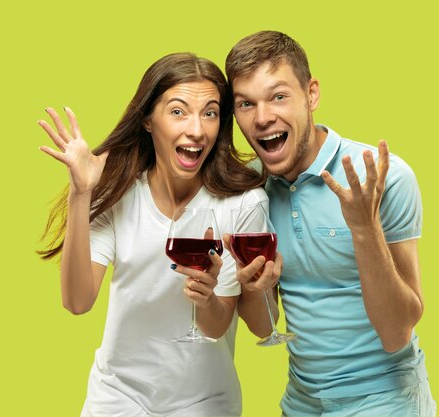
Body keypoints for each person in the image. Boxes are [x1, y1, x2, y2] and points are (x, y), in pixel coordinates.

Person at [36, 53, 267, 417]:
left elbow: (216, 326)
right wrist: (81, 194)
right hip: (117, 394)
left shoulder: (242, 204)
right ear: (147, 120)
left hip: (205, 401)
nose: (197, 130)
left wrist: (206, 297)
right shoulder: (120, 192)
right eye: (178, 111)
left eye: (209, 113)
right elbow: (77, 302)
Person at [225, 31, 436, 416]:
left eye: (278, 96)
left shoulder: (382, 178)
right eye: (245, 103)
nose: (262, 117)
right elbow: (261, 327)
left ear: (312, 94)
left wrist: (364, 228)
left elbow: (397, 332)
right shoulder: (251, 189)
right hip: (301, 401)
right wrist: (255, 289)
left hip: (385, 399)